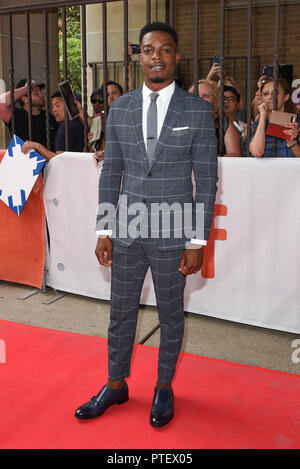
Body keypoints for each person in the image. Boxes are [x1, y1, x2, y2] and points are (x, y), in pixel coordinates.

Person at [74, 22, 218, 427]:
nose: (157, 56)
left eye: (166, 49)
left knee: (171, 315)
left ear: (176, 57)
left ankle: (163, 387)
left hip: (175, 232)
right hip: (127, 229)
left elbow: (206, 180)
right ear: (139, 56)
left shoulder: (197, 109)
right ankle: (116, 384)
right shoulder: (120, 108)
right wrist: (104, 229)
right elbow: (111, 172)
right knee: (120, 312)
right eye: (150, 49)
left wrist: (197, 240)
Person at [22, 91, 85, 160]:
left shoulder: (65, 128)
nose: (54, 110)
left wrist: (37, 146)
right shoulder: (80, 123)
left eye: (57, 106)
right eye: (53, 106)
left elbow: (59, 160)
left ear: (69, 105)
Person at [0, 78, 58, 150]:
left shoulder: (49, 117)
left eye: (40, 91)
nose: (41, 95)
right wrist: (25, 89)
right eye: (35, 93)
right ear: (25, 99)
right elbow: (1, 104)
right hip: (26, 160)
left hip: (50, 160)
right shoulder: (17, 116)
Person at [249, 76, 300, 157]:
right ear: (262, 99)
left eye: (275, 93)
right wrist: (262, 117)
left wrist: (292, 142)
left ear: (286, 97)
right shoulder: (256, 125)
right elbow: (257, 152)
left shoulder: (297, 122)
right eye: (266, 94)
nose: (270, 97)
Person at [189, 79, 241, 156]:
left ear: (215, 98)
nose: (201, 99)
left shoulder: (224, 123)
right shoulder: (184, 120)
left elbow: (235, 154)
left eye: (206, 95)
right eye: (197, 95)